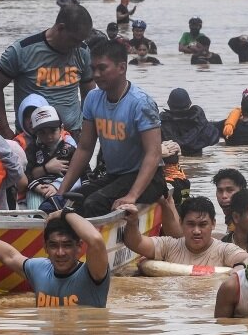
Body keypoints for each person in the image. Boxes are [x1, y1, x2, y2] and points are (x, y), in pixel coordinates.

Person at [57, 41, 167, 217]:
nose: (96, 74)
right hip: (115, 176)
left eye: (102, 68)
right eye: (93, 69)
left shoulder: (141, 103)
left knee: (95, 203)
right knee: (76, 199)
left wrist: (132, 196)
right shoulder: (93, 99)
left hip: (148, 178)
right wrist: (61, 192)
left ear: (122, 67)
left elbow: (153, 154)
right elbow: (85, 148)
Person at [0, 205, 110, 307]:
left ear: (79, 246)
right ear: (45, 248)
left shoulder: (93, 273)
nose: (60, 252)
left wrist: (64, 212)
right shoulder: (40, 269)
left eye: (67, 245)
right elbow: (9, 256)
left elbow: (96, 240)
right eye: (53, 245)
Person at [0, 4, 94, 141]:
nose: (78, 46)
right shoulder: (21, 51)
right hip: (32, 137)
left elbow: (89, 93)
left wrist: (87, 128)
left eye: (81, 41)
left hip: (72, 135)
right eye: (75, 40)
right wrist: (5, 129)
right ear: (60, 28)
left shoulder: (83, 52)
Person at [119, 196, 248, 268]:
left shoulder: (224, 250)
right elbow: (136, 243)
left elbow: (247, 259)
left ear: (214, 224)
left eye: (203, 224)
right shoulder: (169, 246)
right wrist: (132, 222)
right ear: (181, 223)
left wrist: (239, 269)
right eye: (191, 224)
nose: (196, 231)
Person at [24, 106, 86, 211]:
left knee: (73, 204)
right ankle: (36, 223)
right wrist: (38, 187)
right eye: (42, 132)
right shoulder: (32, 150)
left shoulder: (70, 149)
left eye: (53, 131)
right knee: (36, 211)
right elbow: (26, 174)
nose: (48, 136)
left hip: (65, 187)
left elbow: (83, 172)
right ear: (35, 133)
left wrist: (56, 186)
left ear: (61, 128)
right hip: (38, 189)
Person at [159, 88, 219, 156]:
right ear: (189, 103)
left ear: (168, 104)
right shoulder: (199, 120)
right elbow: (214, 136)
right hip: (198, 162)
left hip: (174, 162)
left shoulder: (163, 122)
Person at [211, 168, 247, 235]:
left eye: (230, 190)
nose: (224, 196)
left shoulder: (246, 222)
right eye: (220, 191)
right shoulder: (231, 219)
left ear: (242, 191)